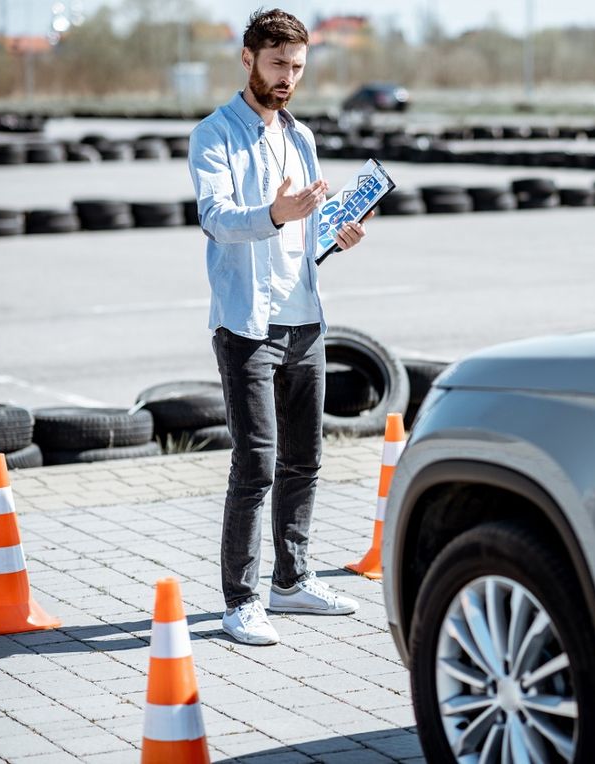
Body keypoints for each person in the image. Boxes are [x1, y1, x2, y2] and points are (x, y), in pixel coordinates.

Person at [188, 9, 368, 645]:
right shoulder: (213, 135)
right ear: (247, 59)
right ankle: (240, 601)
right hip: (247, 324)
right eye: (277, 65)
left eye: (296, 67)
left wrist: (335, 237)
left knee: (306, 460)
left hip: (305, 320)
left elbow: (306, 233)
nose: (288, 77)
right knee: (256, 464)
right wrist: (275, 211)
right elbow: (217, 218)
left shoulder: (302, 137)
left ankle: (290, 583)